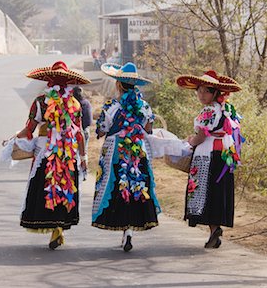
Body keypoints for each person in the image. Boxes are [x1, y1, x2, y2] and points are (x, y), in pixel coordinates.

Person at [16, 61, 90, 250]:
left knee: (45, 186)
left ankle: (51, 225)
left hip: (46, 152)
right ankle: (59, 226)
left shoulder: (41, 101)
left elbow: (30, 128)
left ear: (49, 80)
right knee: (65, 186)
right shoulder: (75, 103)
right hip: (68, 153)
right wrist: (83, 158)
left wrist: (13, 139)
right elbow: (79, 132)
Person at [92, 62, 161, 252]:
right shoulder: (144, 106)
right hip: (137, 149)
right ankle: (129, 230)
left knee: (117, 187)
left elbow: (102, 130)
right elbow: (148, 128)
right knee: (136, 186)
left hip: (116, 150)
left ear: (119, 85)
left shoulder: (111, 106)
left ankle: (124, 227)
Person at [176, 70, 243, 249]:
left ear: (215, 93)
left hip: (208, 155)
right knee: (217, 192)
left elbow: (201, 137)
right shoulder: (225, 108)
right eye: (199, 91)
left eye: (206, 91)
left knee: (206, 192)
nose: (201, 95)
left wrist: (190, 142)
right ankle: (215, 230)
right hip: (223, 156)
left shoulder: (208, 110)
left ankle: (214, 230)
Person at [73, 86, 93, 180]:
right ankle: (84, 173)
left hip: (76, 132)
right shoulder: (86, 103)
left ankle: (76, 171)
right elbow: (90, 120)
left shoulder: (73, 105)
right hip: (85, 131)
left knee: (75, 153)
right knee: (84, 152)